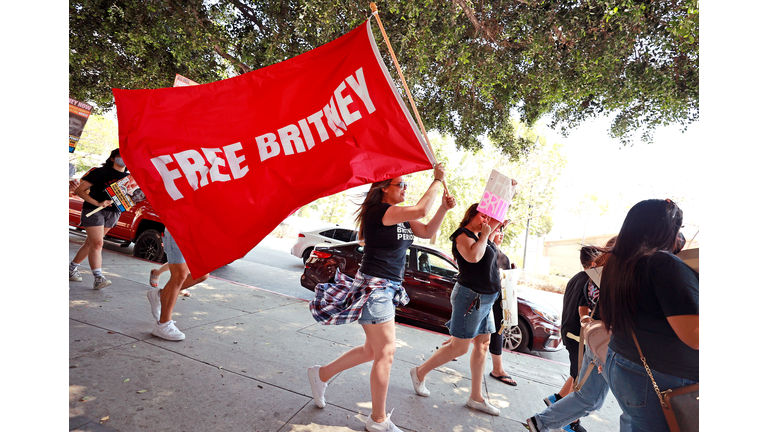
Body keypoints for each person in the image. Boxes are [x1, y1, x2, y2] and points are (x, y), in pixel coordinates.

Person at [307, 165, 455, 432]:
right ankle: (377, 420)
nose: (405, 189)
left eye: (406, 185)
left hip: (387, 288)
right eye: (401, 184)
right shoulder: (380, 212)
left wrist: (443, 209)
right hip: (375, 288)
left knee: (372, 350)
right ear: (384, 187)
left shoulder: (400, 216)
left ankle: (321, 374)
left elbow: (427, 231)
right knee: (386, 351)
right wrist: (436, 180)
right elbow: (422, 209)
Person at [409, 195, 516, 417]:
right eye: (482, 214)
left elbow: (498, 219)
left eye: (489, 215)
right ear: (472, 214)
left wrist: (509, 193)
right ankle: (419, 372)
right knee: (460, 347)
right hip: (471, 297)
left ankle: (476, 397)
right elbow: (474, 257)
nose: (487, 219)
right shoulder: (462, 236)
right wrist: (486, 236)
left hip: (487, 298)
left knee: (483, 345)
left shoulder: (483, 234)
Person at [599, 199, 698, 431]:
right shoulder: (665, 265)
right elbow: (695, 336)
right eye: (678, 229)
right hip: (661, 376)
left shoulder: (618, 261)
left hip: (625, 361)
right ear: (666, 229)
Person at [527, 238, 616, 432]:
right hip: (590, 338)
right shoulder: (606, 280)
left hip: (585, 334)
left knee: (583, 386)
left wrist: (586, 323)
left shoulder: (587, 277)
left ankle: (554, 407)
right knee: (585, 391)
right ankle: (564, 419)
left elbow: (582, 306)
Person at [69, 149, 129, 289]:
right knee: (97, 244)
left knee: (91, 244)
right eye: (121, 156)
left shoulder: (129, 178)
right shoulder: (101, 172)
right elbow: (79, 190)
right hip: (94, 210)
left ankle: (72, 268)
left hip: (113, 212)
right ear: (113, 158)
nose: (125, 159)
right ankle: (98, 277)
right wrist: (97, 203)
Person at [146, 228, 210, 341]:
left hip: (198, 234)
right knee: (179, 275)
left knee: (202, 274)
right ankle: (163, 324)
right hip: (179, 230)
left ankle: (161, 294)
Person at [488, 223, 517, 386]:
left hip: (498, 299)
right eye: (498, 230)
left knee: (494, 332)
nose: (501, 233)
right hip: (488, 298)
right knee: (466, 338)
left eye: (502, 230)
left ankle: (497, 369)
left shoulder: (502, 256)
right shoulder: (487, 250)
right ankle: (451, 349)